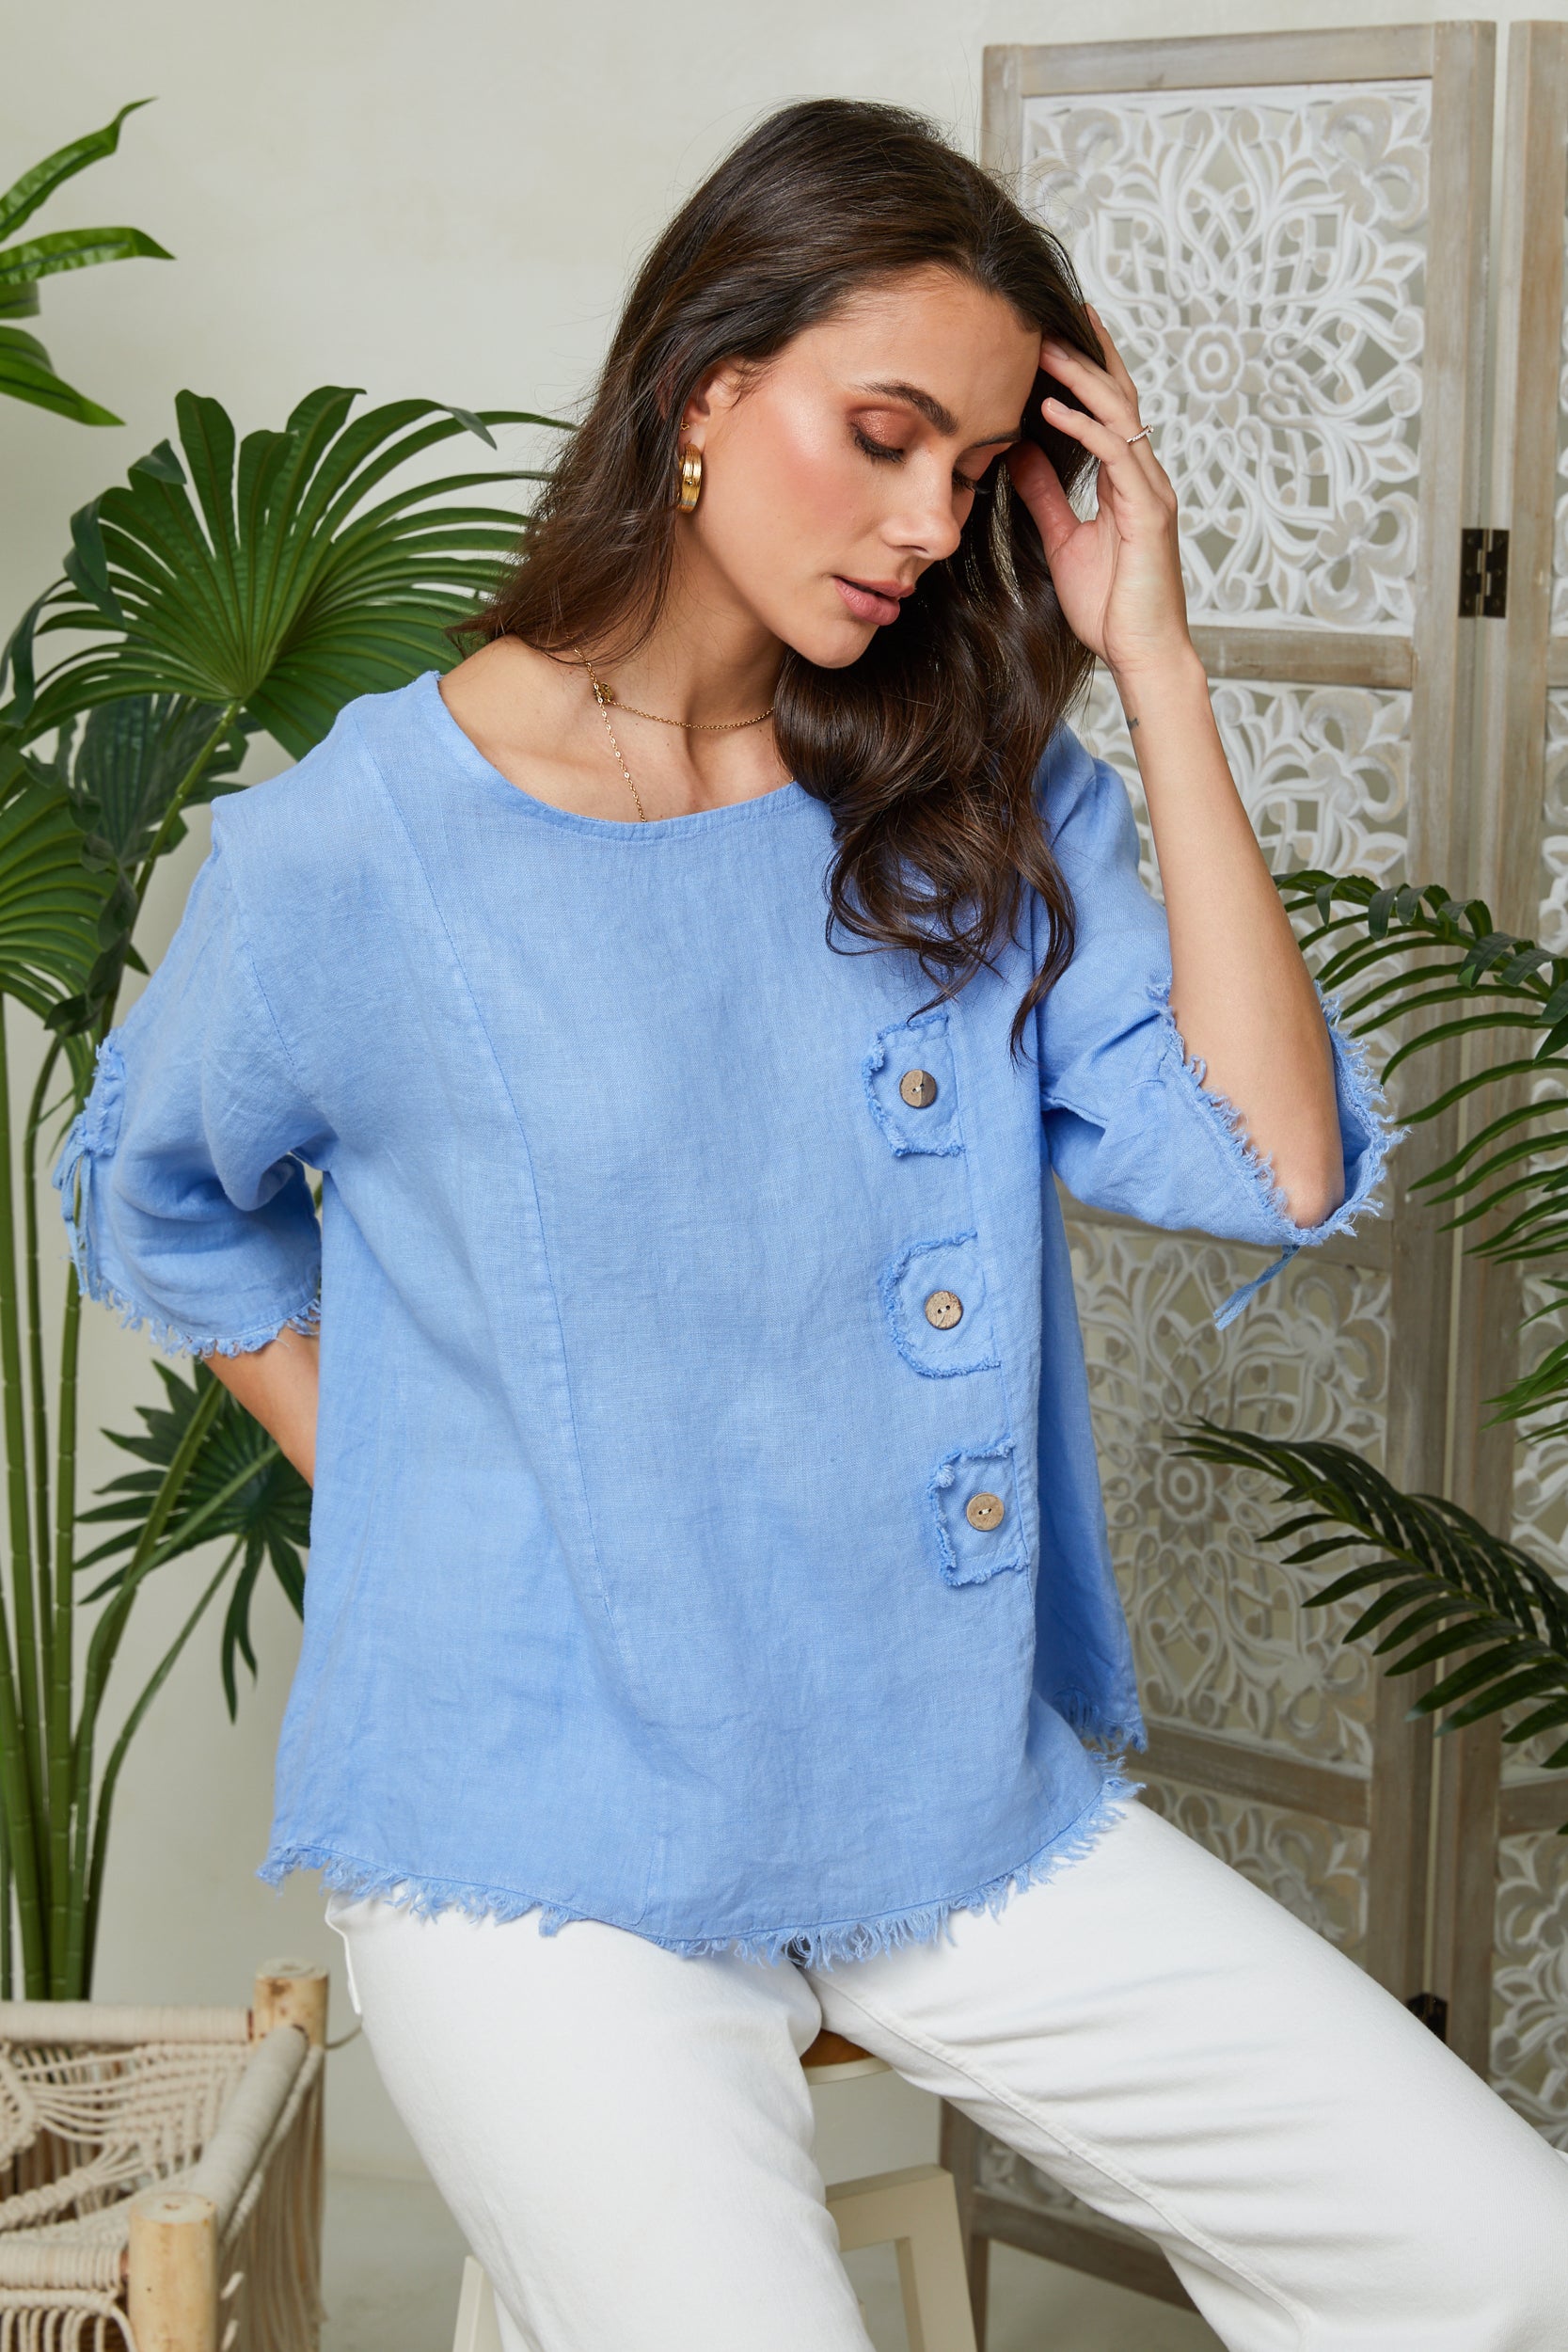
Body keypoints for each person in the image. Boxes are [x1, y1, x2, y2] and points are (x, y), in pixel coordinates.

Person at [53, 97, 1567, 2351]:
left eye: (976, 465)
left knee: (1509, 2258)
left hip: (942, 1793)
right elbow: (160, 1193)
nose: (928, 522)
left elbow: (1271, 1161)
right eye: (881, 435)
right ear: (703, 383)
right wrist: (406, 1491)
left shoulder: (966, 793)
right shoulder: (361, 852)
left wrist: (1155, 659)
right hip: (537, 1845)